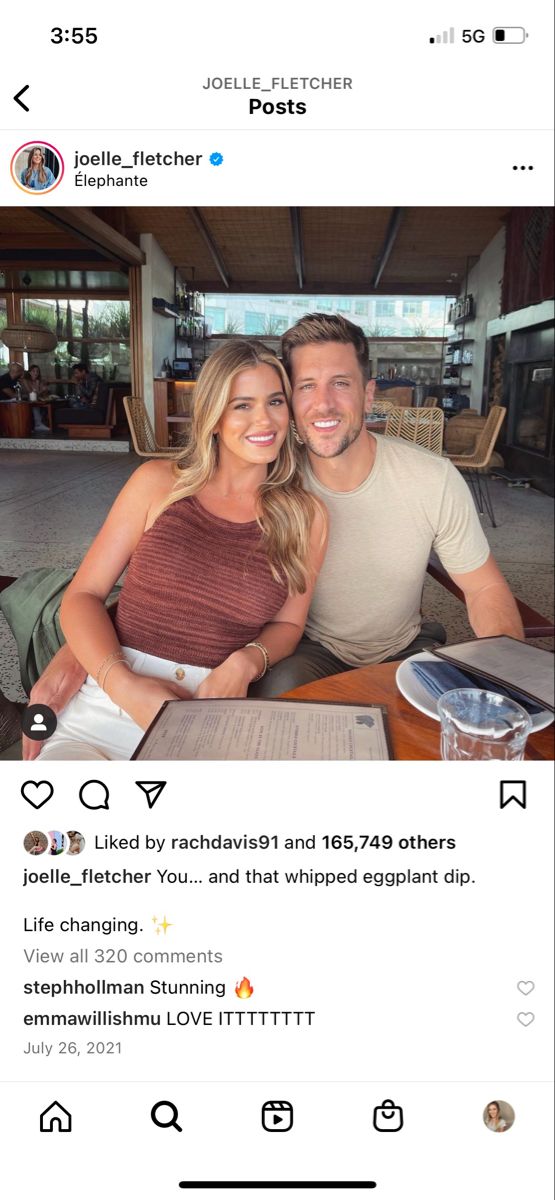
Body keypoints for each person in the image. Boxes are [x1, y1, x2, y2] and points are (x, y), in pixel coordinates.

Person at [23, 314, 523, 755]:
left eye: (341, 384)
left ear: (369, 394)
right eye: (305, 386)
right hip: (302, 648)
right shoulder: (251, 472)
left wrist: (505, 686)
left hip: (398, 643)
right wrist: (78, 659)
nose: (322, 404)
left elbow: (483, 588)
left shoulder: (413, 482)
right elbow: (162, 581)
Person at [35, 340, 327, 760]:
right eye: (241, 405)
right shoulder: (157, 483)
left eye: (275, 401)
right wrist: (124, 687)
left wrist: (244, 664)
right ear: (213, 417)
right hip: (106, 703)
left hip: (208, 714)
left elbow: (289, 626)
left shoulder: (307, 516)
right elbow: (83, 596)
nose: (264, 419)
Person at [53, 362, 108, 430]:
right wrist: (82, 395)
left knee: (72, 401)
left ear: (83, 372)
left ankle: (75, 424)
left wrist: (78, 384)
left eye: (76, 373)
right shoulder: (85, 379)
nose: (75, 375)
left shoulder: (93, 378)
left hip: (94, 405)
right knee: (71, 399)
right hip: (90, 403)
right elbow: (84, 395)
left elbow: (89, 394)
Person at [21, 365, 51, 431]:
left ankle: (43, 423)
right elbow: (31, 393)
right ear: (29, 372)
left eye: (37, 371)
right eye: (33, 371)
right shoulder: (25, 380)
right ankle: (38, 424)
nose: (35, 373)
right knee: (35, 405)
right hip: (25, 400)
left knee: (47, 404)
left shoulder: (38, 381)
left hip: (36, 399)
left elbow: (39, 394)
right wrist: (40, 389)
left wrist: (44, 390)